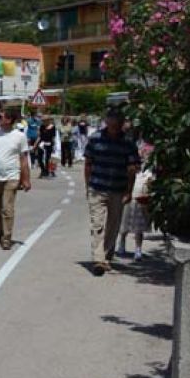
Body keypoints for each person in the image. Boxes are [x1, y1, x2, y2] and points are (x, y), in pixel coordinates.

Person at [84, 108, 140, 275]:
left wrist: (129, 191)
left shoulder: (128, 143)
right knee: (97, 223)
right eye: (112, 125)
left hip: (118, 190)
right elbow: (88, 163)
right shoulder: (95, 139)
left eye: (118, 125)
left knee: (113, 226)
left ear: (122, 125)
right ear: (107, 123)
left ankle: (107, 255)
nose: (115, 128)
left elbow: (132, 169)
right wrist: (88, 186)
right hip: (97, 188)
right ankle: (98, 259)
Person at [0, 109, 31, 250]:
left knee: (7, 208)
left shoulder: (19, 137)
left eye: (1, 117)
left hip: (12, 176)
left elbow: (24, 159)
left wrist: (26, 179)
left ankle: (7, 237)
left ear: (9, 120)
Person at [117, 145, 155, 261]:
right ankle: (121, 244)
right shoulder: (130, 170)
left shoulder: (149, 172)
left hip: (141, 202)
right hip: (129, 200)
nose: (144, 158)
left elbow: (151, 185)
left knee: (139, 228)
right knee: (124, 225)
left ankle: (138, 250)